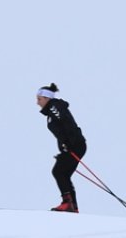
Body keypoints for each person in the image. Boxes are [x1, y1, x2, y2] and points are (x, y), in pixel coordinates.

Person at [36, 83, 87, 212]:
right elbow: (62, 131)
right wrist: (63, 149)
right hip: (75, 145)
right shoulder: (52, 110)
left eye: (39, 99)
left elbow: (66, 123)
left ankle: (68, 203)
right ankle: (72, 206)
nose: (37, 103)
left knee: (58, 171)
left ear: (47, 98)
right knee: (63, 173)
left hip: (75, 145)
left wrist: (69, 144)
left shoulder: (54, 107)